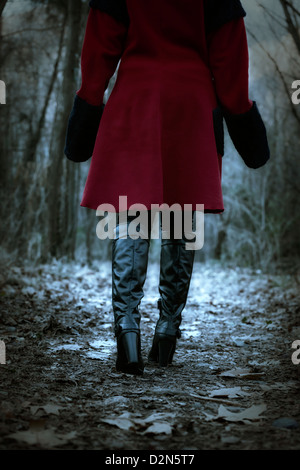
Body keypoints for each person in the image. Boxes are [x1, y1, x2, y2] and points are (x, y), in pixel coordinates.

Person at [64, 0, 270, 375]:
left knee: (130, 211)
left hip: (134, 99)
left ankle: (127, 331)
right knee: (182, 214)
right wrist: (245, 124)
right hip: (190, 103)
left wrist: (88, 107)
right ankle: (167, 331)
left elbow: (98, 50)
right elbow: (229, 63)